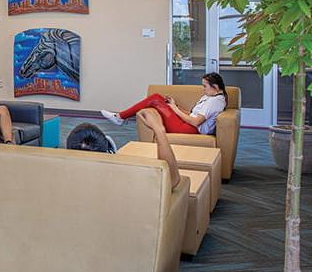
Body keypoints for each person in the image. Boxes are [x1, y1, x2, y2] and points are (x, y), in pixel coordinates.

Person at [100, 72, 228, 135]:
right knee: (158, 99)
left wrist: (173, 108)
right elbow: (192, 114)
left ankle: (120, 117)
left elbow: (195, 122)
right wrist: (175, 106)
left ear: (215, 86)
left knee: (155, 98)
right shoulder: (212, 97)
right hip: (187, 124)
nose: (203, 89)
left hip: (189, 129)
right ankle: (120, 117)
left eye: (205, 86)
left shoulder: (215, 102)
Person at [65, 121, 180, 189]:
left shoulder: (60, 183)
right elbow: (172, 180)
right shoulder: (126, 183)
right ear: (108, 150)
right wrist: (159, 130)